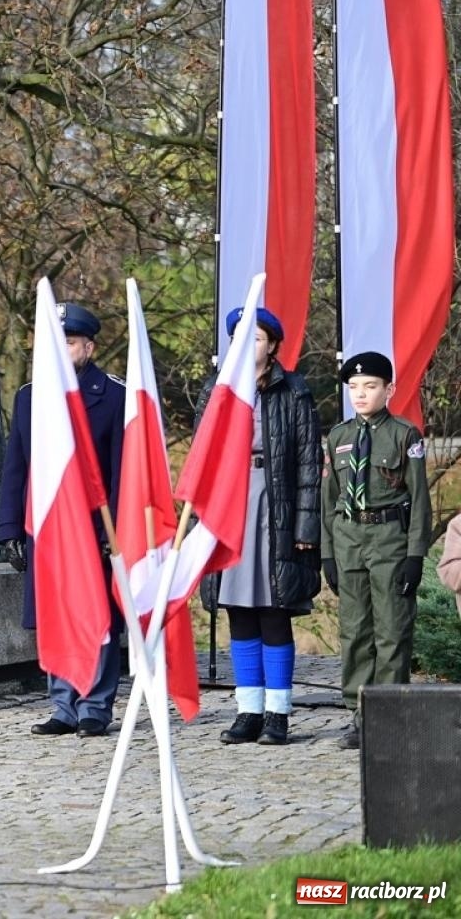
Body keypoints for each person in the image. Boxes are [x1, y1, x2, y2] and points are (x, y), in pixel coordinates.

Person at [0, 301, 124, 738]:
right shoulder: (31, 397)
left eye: (69, 342)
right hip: (47, 527)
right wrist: (9, 527)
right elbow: (17, 467)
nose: (62, 350)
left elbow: (124, 469)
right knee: (56, 614)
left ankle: (95, 705)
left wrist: (119, 531)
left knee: (96, 616)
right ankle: (63, 705)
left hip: (94, 526)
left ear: (88, 346)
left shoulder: (113, 395)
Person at [197, 307, 320, 746]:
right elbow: (201, 461)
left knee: (274, 608)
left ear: (272, 346)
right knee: (238, 610)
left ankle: (277, 713)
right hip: (231, 505)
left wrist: (306, 529)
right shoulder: (217, 390)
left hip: (276, 504)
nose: (248, 346)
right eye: (240, 338)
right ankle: (248, 709)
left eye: (257, 339)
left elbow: (309, 464)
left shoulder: (295, 392)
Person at [321, 351, 430, 750]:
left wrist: (415, 555)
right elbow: (328, 499)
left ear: (389, 390)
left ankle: (391, 715)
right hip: (349, 539)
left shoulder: (405, 435)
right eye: (354, 387)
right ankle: (359, 713)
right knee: (354, 632)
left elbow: (419, 500)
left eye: (369, 387)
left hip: (388, 541)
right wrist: (327, 554)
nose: (361, 394)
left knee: (391, 630)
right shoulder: (338, 437)